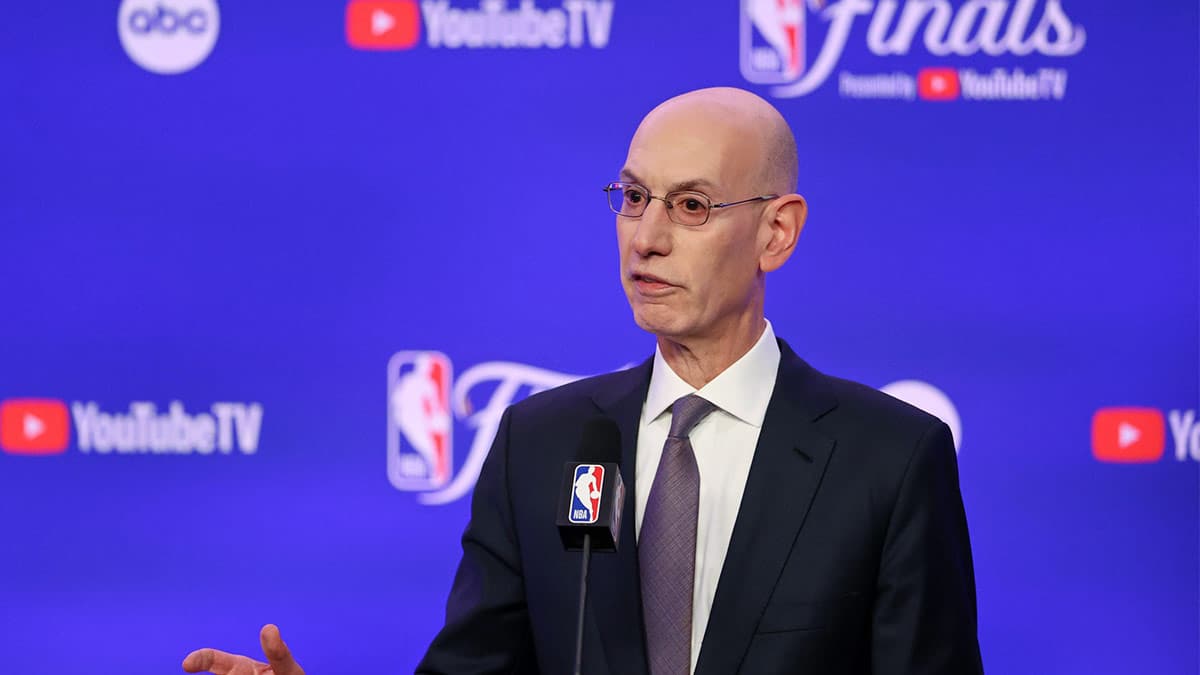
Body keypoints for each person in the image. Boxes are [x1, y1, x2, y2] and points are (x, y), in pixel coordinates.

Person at [182, 87, 983, 675]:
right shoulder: (544, 443)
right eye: (633, 198)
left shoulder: (888, 458)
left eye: (692, 205)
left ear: (777, 232)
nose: (648, 237)